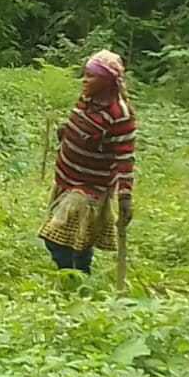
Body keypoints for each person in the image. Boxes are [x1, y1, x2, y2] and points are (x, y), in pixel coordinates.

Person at [38, 49, 135, 274]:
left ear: (107, 81)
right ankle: (80, 274)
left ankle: (73, 275)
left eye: (90, 76)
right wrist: (68, 132)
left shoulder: (120, 114)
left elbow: (125, 157)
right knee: (80, 236)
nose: (84, 80)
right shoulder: (87, 100)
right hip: (66, 179)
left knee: (55, 239)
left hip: (87, 188)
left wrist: (125, 197)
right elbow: (86, 129)